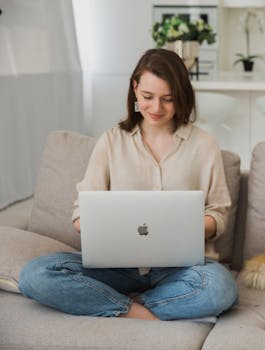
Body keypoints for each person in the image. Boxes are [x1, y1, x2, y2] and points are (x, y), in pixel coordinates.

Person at [18, 49, 238, 321]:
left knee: (220, 289)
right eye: (148, 97)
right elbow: (79, 216)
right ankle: (140, 310)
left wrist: (180, 225)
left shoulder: (204, 145)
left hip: (180, 269)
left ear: (182, 96)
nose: (156, 108)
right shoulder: (111, 141)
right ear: (135, 88)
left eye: (168, 100)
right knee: (35, 275)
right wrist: (102, 224)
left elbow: (219, 215)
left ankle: (119, 303)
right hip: (117, 268)